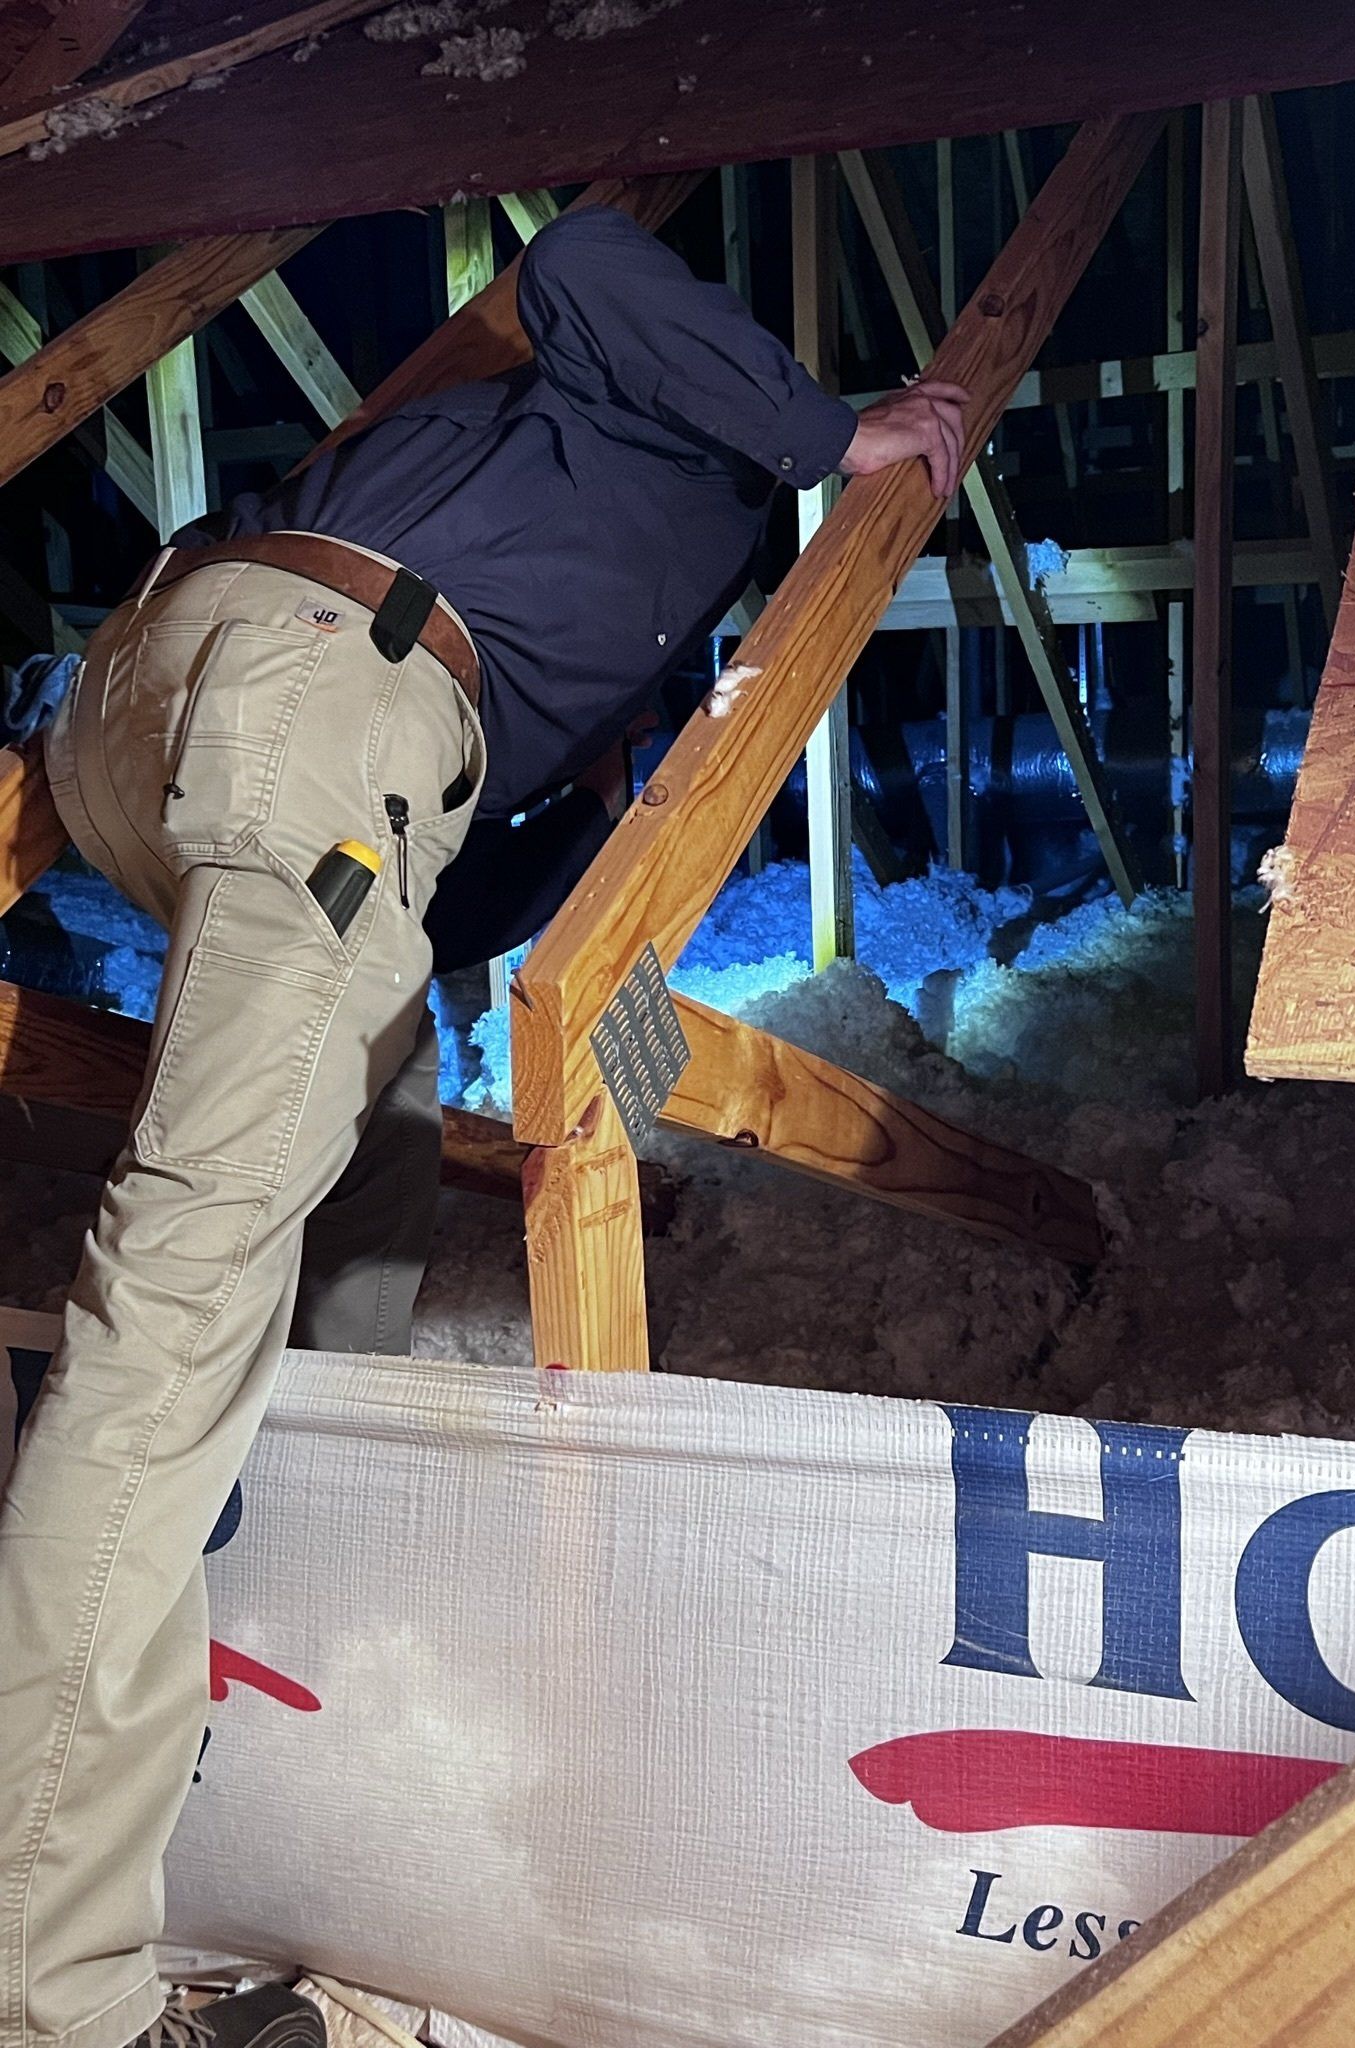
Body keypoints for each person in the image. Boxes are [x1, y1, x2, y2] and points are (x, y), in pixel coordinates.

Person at [0, 203, 967, 2048]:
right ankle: (48, 1997)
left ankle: (304, 1561)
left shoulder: (599, 564)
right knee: (174, 1318)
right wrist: (836, 431)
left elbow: (444, 913)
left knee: (373, 1110)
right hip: (319, 682)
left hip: (183, 714)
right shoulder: (670, 413)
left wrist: (591, 808)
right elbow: (584, 253)